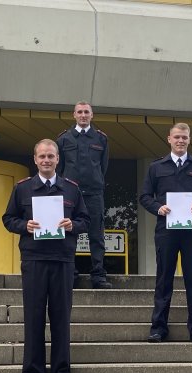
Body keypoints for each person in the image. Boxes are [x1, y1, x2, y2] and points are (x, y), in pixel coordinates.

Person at [2, 139, 90, 373]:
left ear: (58, 159)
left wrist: (73, 225)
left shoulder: (72, 189)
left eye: (51, 156)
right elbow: (8, 219)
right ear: (35, 159)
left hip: (63, 260)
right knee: (34, 318)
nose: (46, 160)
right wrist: (24, 226)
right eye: (42, 156)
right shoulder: (23, 188)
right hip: (34, 259)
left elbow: (85, 219)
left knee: (61, 319)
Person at [139, 123, 192, 343]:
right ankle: (158, 328)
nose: (181, 141)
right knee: (163, 279)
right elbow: (145, 196)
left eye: (184, 137)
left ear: (189, 140)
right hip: (166, 230)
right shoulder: (156, 167)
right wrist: (158, 208)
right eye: (177, 137)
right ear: (169, 139)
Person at [56, 101, 112, 289]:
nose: (83, 115)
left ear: (92, 115)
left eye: (86, 112)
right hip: (70, 194)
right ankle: (70, 275)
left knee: (96, 235)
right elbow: (60, 167)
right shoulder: (64, 139)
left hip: (94, 193)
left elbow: (102, 167)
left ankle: (98, 276)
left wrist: (95, 181)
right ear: (74, 115)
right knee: (69, 233)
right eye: (79, 112)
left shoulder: (101, 138)